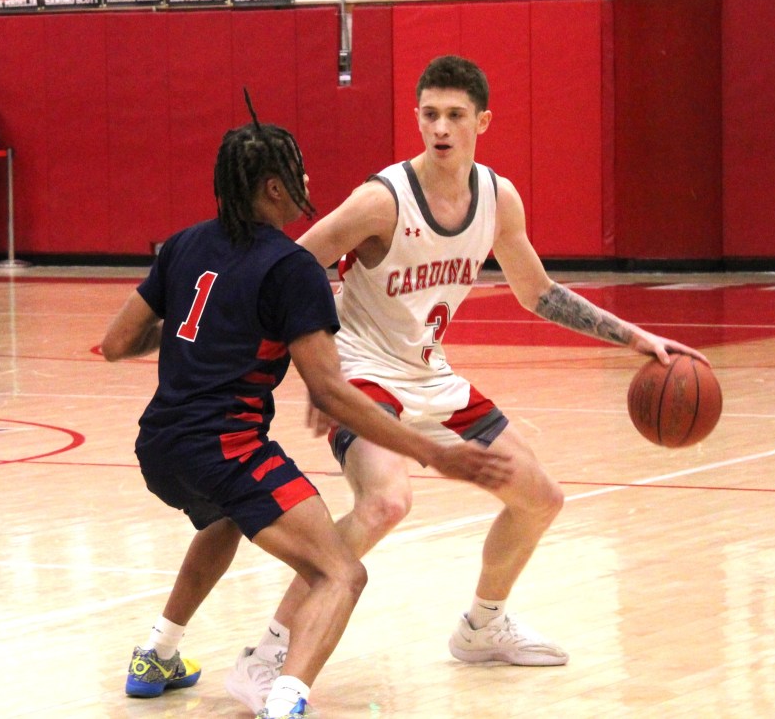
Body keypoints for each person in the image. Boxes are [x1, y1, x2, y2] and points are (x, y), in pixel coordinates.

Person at [223, 55, 709, 713]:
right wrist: (314, 368)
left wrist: (635, 337)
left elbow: (538, 292)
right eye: (429, 115)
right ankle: (272, 648)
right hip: (364, 369)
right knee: (386, 503)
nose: (441, 128)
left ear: (482, 121)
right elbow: (287, 265)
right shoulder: (382, 200)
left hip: (431, 372)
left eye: (455, 115)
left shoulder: (497, 198)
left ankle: (482, 627)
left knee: (540, 498)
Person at [101, 114, 511, 719]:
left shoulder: (185, 243)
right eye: (296, 171)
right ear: (272, 188)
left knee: (224, 522)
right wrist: (432, 451)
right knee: (339, 574)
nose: (306, 178)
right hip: (228, 448)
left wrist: (208, 330)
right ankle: (286, 699)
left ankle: (157, 651)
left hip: (159, 446)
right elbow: (335, 393)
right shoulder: (292, 268)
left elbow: (116, 342)